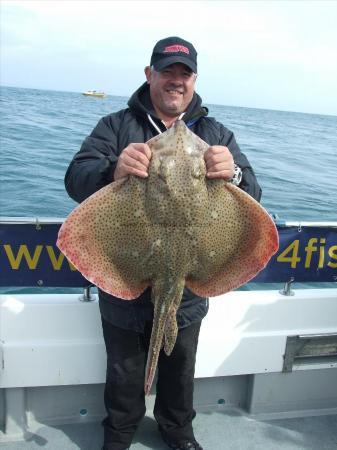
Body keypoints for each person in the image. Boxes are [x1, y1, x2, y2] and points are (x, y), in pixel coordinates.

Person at [65, 36, 261, 450]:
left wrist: (235, 175)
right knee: (123, 370)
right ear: (149, 74)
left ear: (194, 80)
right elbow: (76, 177)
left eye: (183, 74)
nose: (176, 81)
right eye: (167, 71)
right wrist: (112, 169)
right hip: (126, 275)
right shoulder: (116, 126)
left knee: (180, 366)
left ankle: (177, 430)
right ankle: (118, 435)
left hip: (188, 283)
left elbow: (254, 195)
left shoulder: (215, 133)